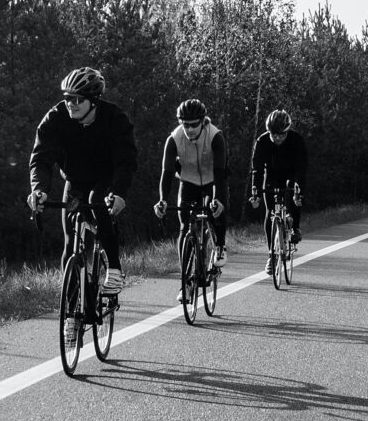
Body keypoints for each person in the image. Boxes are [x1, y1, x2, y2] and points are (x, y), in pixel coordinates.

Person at [27, 66, 138, 295]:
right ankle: (71, 313)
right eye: (68, 98)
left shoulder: (114, 119)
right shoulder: (56, 118)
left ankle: (115, 270)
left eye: (78, 99)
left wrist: (119, 193)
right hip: (75, 181)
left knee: (97, 200)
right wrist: (39, 190)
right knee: (70, 245)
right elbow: (40, 159)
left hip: (105, 179)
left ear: (94, 101)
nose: (71, 104)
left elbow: (126, 160)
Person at [153, 98, 229, 267]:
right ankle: (185, 281)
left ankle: (220, 246)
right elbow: (167, 172)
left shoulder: (215, 136)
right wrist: (163, 200)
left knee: (216, 211)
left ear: (203, 122)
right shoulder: (174, 139)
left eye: (194, 125)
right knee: (184, 225)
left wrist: (219, 199)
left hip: (212, 180)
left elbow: (220, 172)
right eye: (186, 125)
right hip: (188, 180)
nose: (190, 129)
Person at [248, 108, 307, 251]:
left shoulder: (296, 140)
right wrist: (255, 193)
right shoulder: (262, 141)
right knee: (270, 213)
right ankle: (271, 253)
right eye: (274, 135)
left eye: (282, 135)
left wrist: (299, 193)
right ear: (269, 131)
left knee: (294, 196)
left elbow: (301, 169)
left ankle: (295, 227)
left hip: (291, 174)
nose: (278, 138)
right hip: (272, 174)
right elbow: (257, 169)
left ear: (287, 131)